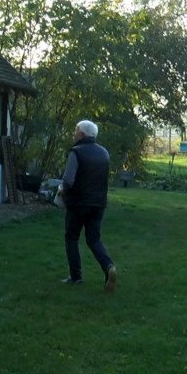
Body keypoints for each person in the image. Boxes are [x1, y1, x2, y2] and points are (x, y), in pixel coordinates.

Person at [57, 120, 118, 293]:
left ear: (82, 134)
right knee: (94, 239)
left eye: (75, 131)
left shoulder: (76, 152)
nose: (73, 134)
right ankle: (109, 267)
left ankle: (76, 277)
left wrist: (62, 191)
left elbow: (68, 180)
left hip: (78, 203)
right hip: (98, 204)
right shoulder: (104, 153)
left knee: (71, 237)